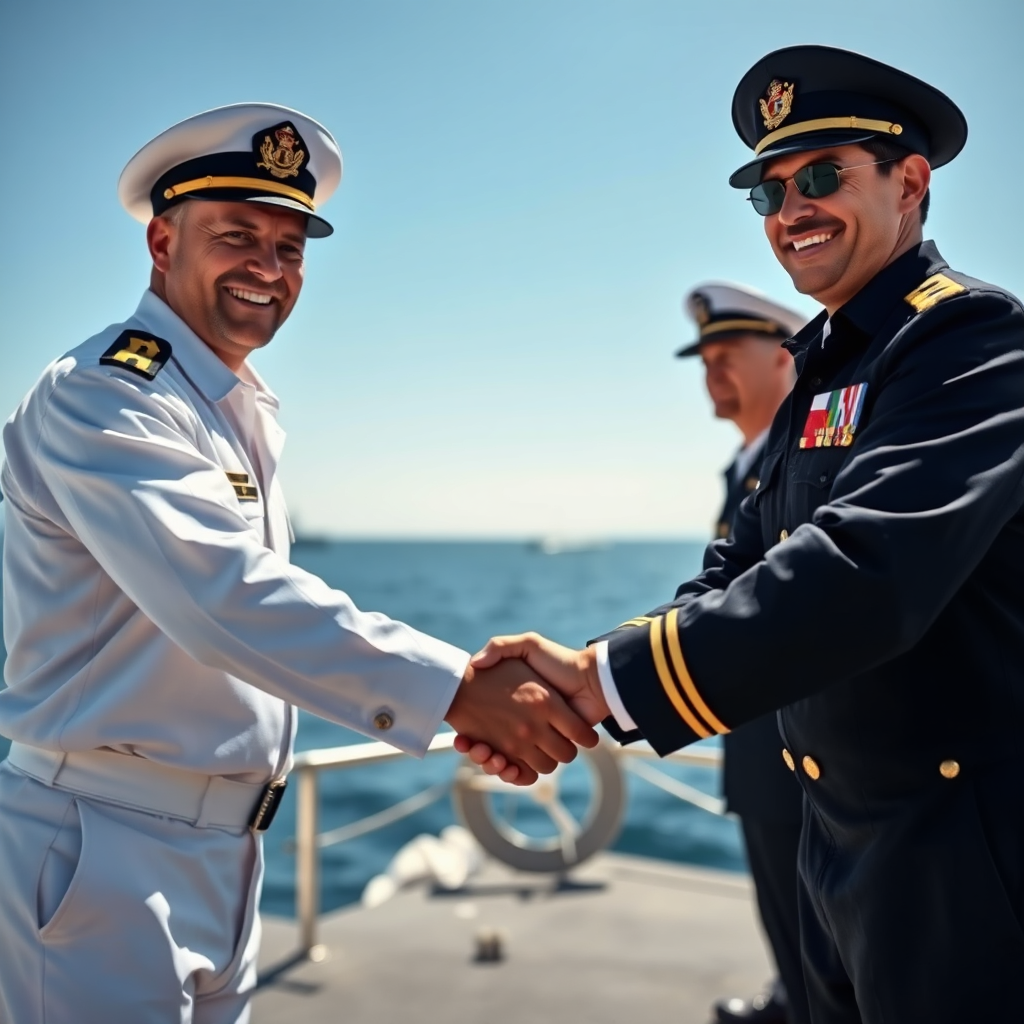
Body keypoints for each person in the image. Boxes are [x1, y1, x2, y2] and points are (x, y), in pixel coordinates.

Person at [460, 45, 1024, 1023]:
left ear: (911, 180)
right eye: (768, 194)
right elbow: (738, 570)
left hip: (960, 852)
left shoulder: (971, 341)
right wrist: (589, 675)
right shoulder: (823, 363)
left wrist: (598, 685)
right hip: (834, 836)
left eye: (820, 177)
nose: (791, 209)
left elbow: (865, 571)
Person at [0, 103, 593, 1023]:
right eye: (237, 236)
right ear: (162, 242)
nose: (267, 270)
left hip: (226, 852)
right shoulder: (103, 394)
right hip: (100, 849)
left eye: (291, 247)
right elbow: (224, 599)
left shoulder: (231, 404)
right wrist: (459, 692)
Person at [676, 283, 809, 1024]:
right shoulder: (749, 465)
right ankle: (791, 1000)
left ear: (786, 359)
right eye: (704, 360)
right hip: (762, 746)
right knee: (791, 927)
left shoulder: (801, 460)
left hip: (801, 754)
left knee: (823, 936)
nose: (711, 373)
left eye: (728, 356)